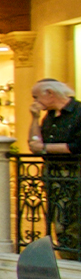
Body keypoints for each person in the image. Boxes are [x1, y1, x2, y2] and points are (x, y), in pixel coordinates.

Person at [29, 79, 81, 255]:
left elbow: (76, 146)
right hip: (53, 174)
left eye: (36, 97)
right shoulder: (49, 117)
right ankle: (66, 256)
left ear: (49, 93)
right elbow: (34, 143)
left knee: (73, 219)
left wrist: (44, 148)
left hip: (74, 173)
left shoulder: (78, 112)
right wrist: (35, 119)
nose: (35, 101)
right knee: (59, 218)